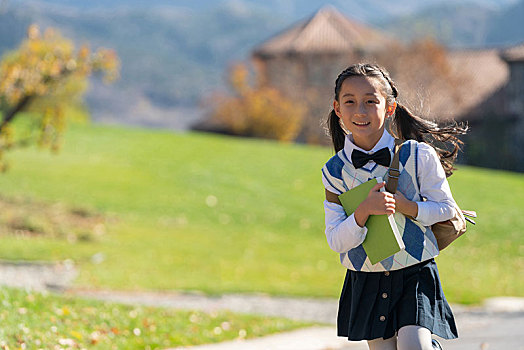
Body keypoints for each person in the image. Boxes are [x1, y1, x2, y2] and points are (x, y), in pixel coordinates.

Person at [321, 63, 467, 350]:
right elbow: (336, 240)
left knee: (416, 346)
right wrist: (364, 211)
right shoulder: (333, 172)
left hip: (415, 271)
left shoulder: (418, 154)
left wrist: (405, 206)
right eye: (350, 102)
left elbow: (446, 209)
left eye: (370, 101)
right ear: (338, 109)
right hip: (366, 277)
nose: (360, 111)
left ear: (389, 108)